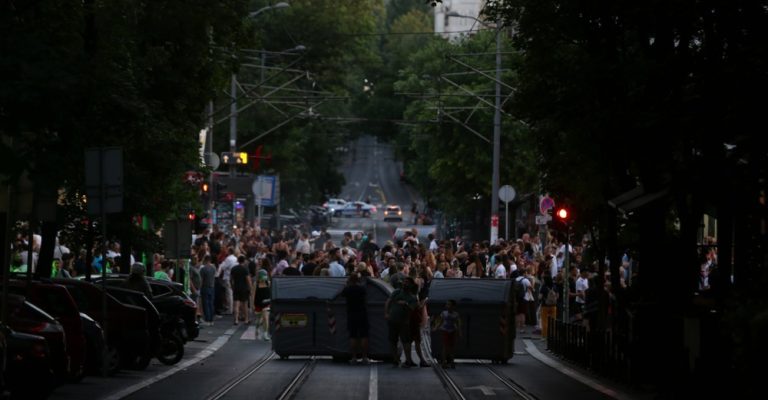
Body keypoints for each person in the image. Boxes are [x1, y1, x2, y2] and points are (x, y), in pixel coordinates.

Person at [332, 273, 370, 364]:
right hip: (362, 313)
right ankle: (364, 357)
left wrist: (345, 285)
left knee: (353, 336)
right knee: (364, 335)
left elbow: (339, 294)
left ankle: (354, 357)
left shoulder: (347, 289)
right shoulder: (362, 288)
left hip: (351, 314)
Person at [385, 277, 418, 368]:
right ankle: (395, 359)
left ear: (411, 285)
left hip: (404, 322)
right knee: (393, 340)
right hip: (393, 319)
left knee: (406, 341)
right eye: (404, 282)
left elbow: (412, 309)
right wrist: (387, 313)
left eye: (407, 282)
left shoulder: (412, 297)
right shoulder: (397, 292)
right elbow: (388, 302)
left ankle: (408, 360)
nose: (404, 284)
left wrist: (405, 304)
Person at [431, 299, 461, 368]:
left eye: (449, 304)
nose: (447, 306)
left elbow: (458, 324)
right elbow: (440, 321)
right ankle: (444, 362)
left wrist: (459, 332)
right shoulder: (444, 313)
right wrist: (436, 327)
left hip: (452, 332)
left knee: (452, 347)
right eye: (447, 304)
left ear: (453, 306)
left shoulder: (456, 314)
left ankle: (451, 361)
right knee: (445, 346)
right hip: (445, 331)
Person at [230, 255, 252, 325]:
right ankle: (246, 319)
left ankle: (236, 320)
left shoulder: (233, 269)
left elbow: (231, 279)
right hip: (244, 288)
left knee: (236, 304)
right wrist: (250, 289)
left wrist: (232, 287)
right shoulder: (245, 269)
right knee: (245, 304)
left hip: (236, 287)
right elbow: (248, 280)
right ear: (244, 261)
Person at [253, 269, 271, 340]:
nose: (262, 280)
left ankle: (265, 334)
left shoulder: (268, 283)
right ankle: (257, 328)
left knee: (266, 318)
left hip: (266, 303)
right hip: (258, 303)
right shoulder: (255, 284)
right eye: (261, 278)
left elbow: (271, 293)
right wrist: (253, 305)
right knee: (258, 320)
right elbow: (253, 295)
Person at [199, 255, 217, 326]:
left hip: (205, 287)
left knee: (205, 304)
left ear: (205, 260)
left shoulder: (203, 269)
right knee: (211, 303)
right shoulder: (213, 268)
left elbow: (201, 280)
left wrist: (199, 288)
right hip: (212, 287)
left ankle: (207, 319)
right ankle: (211, 320)